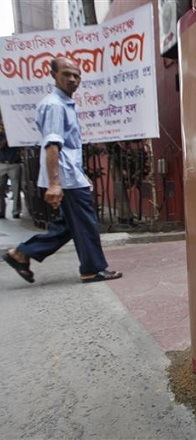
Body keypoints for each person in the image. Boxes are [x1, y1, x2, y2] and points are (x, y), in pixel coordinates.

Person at [2, 57, 122, 284]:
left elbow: (68, 148)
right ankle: (92, 269)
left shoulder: (64, 103)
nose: (73, 79)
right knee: (85, 222)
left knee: (69, 224)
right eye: (66, 74)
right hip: (65, 177)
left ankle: (21, 253)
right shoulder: (55, 106)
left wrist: (80, 175)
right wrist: (55, 183)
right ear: (54, 75)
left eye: (76, 75)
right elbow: (52, 145)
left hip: (70, 174)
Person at [0, 113, 22, 219]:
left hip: (14, 163)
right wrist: (6, 137)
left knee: (16, 188)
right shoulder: (2, 135)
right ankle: (1, 211)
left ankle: (16, 211)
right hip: (2, 163)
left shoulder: (16, 133)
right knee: (0, 188)